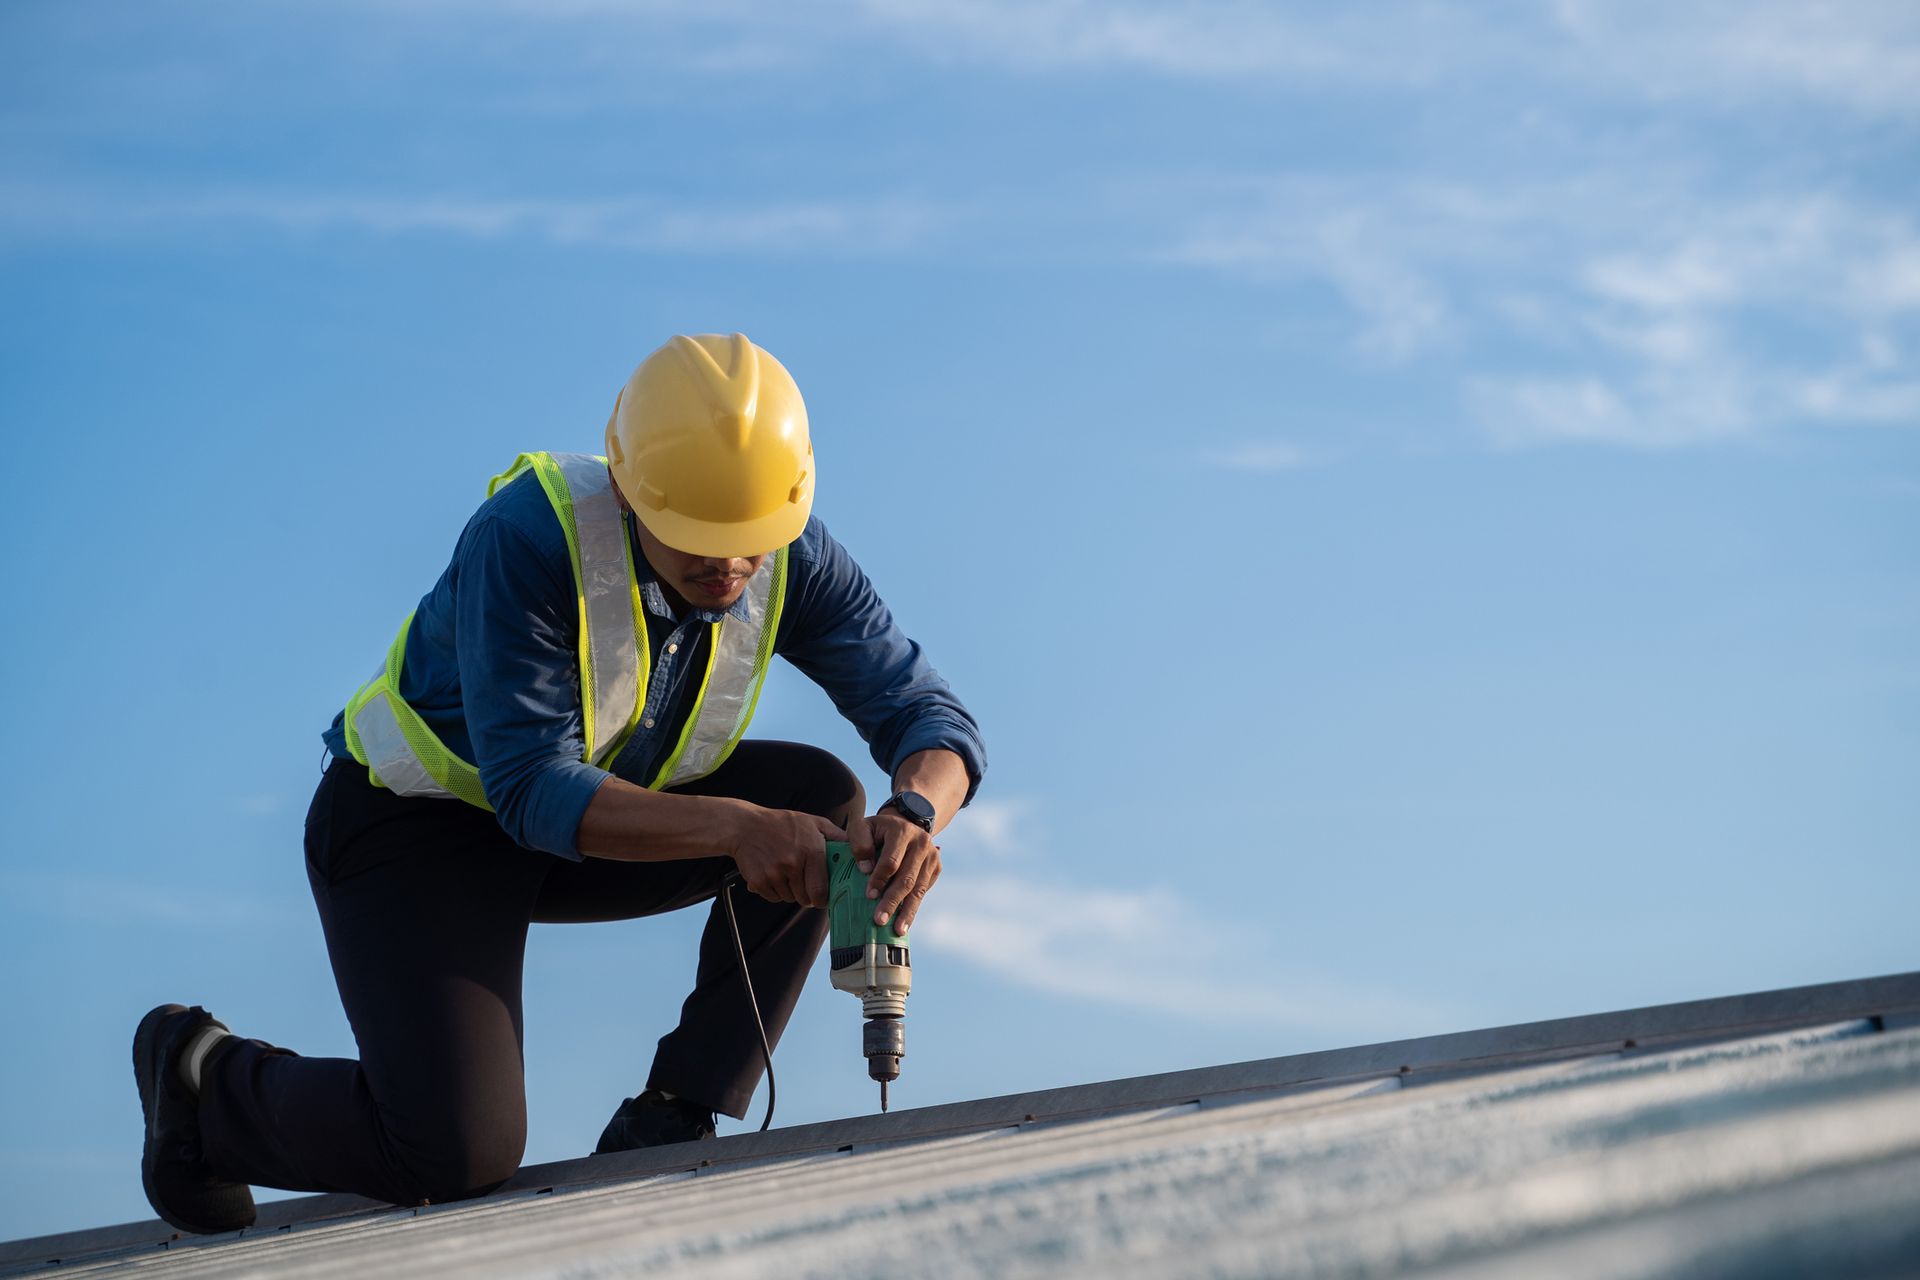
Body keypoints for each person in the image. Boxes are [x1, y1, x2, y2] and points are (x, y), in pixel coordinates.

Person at [131, 333, 985, 1234]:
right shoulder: (527, 540)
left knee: (825, 802)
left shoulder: (786, 550)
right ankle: (202, 1077)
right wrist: (736, 827)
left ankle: (676, 1106)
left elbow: (929, 715)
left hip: (594, 824)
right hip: (415, 836)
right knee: (452, 1153)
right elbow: (533, 790)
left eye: (749, 544)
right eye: (697, 538)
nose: (729, 568)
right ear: (628, 489)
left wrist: (914, 812)